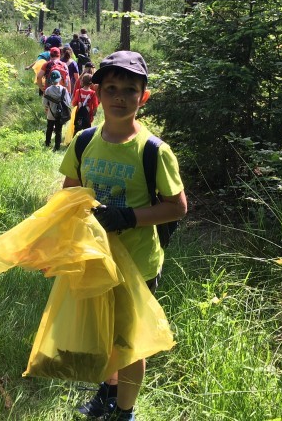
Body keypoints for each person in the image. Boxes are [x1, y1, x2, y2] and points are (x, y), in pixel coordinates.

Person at [60, 51, 187, 421]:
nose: (120, 97)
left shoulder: (153, 151)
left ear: (142, 97)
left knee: (130, 344)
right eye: (111, 88)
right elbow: (70, 193)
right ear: (97, 93)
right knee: (104, 335)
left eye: (130, 90)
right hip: (96, 259)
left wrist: (128, 217)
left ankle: (124, 413)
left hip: (138, 263)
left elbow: (177, 207)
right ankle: (109, 392)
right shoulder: (84, 140)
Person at [43, 70, 71, 151]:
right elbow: (68, 102)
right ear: (60, 78)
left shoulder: (48, 90)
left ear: (51, 79)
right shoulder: (64, 90)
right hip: (60, 115)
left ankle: (47, 143)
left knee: (49, 128)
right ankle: (57, 147)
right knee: (58, 131)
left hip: (51, 114)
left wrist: (47, 107)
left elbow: (44, 103)